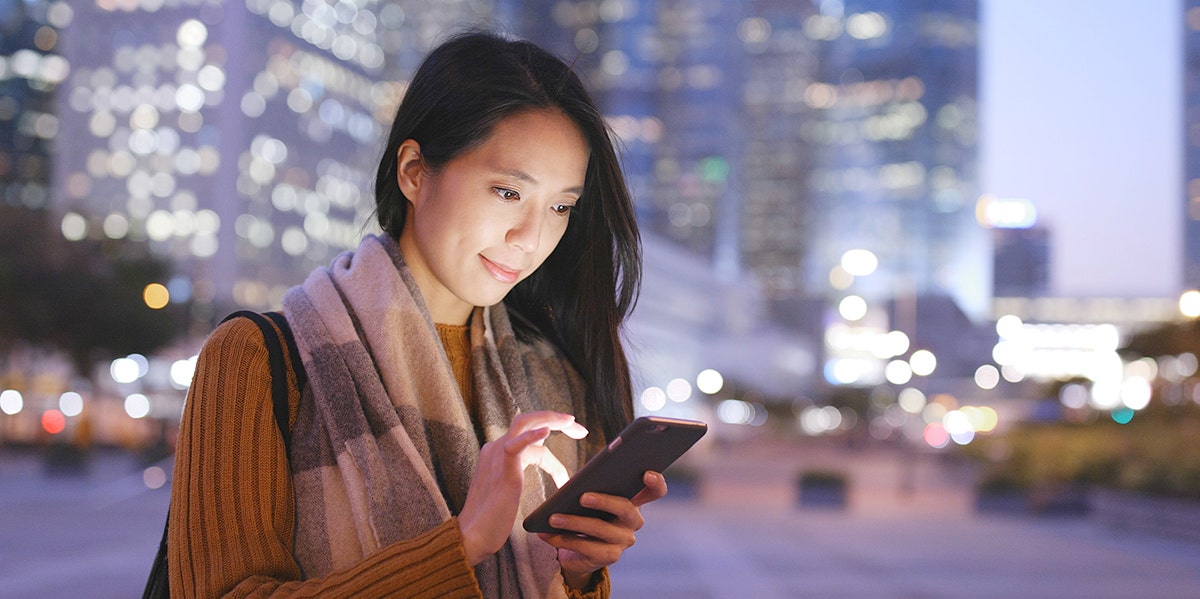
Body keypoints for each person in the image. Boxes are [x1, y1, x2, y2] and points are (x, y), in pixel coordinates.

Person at [167, 29, 663, 598]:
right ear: (413, 172)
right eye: (506, 192)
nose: (531, 237)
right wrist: (466, 542)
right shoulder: (260, 360)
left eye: (560, 207)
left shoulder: (554, 384)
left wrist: (576, 571)